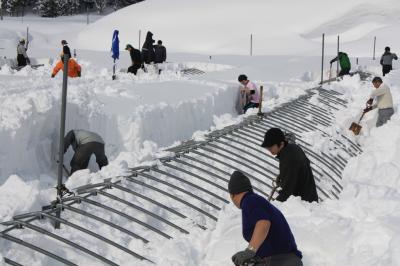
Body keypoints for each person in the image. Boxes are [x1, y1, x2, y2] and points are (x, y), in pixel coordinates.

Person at [229, 170, 303, 266]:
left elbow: (263, 223)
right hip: (284, 260)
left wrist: (250, 251)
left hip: (280, 261)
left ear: (232, 195)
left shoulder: (249, 201)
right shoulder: (256, 201)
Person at [261, 128, 318, 203]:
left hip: (303, 206)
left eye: (271, 147)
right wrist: (282, 176)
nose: (269, 150)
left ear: (281, 144)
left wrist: (274, 206)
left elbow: (287, 190)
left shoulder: (288, 158)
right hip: (309, 198)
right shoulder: (292, 148)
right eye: (267, 148)